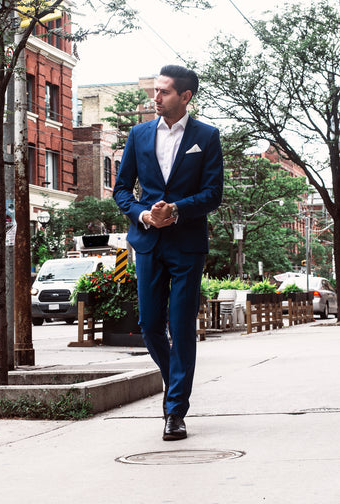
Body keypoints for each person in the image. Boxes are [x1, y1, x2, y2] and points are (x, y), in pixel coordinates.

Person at [113, 65, 223, 441]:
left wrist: (174, 209)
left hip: (187, 244)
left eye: (164, 92)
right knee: (148, 326)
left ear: (185, 97)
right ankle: (174, 379)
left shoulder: (206, 137)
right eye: (155, 91)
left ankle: (175, 411)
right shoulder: (138, 134)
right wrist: (144, 213)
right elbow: (122, 189)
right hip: (147, 241)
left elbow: (213, 194)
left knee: (180, 326)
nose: (155, 98)